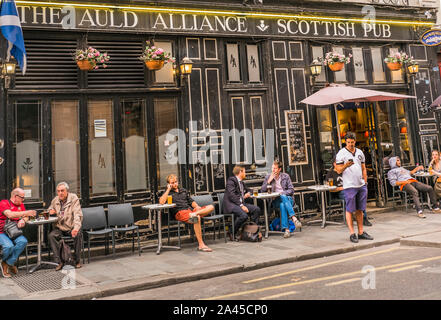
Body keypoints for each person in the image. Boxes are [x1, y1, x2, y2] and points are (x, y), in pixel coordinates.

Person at [160, 174, 215, 252]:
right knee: (197, 218)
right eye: (172, 183)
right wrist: (168, 189)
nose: (175, 184)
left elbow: (191, 201)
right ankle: (201, 245)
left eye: (176, 182)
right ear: (169, 184)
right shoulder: (167, 192)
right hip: (180, 212)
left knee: (211, 207)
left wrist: (197, 207)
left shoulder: (183, 190)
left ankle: (195, 213)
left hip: (190, 211)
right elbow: (161, 202)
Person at [335, 132, 373, 243]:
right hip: (349, 185)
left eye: (352, 142)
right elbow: (338, 170)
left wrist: (365, 180)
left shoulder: (360, 152)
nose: (350, 144)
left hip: (361, 185)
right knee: (350, 210)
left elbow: (363, 167)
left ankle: (361, 232)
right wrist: (346, 165)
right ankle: (352, 233)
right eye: (348, 142)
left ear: (355, 142)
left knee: (360, 209)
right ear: (345, 142)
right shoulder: (341, 153)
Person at [0, 188, 36, 278]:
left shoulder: (21, 205)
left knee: (23, 241)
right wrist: (26, 213)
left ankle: (7, 263)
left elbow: (26, 216)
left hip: (14, 232)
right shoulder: (4, 203)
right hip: (1, 232)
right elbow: (10, 214)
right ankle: (8, 264)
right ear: (15, 196)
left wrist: (23, 220)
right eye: (22, 197)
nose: (23, 200)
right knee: (9, 246)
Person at [326, 157, 372, 227]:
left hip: (349, 189)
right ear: (334, 164)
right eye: (338, 163)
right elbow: (329, 188)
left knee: (359, 196)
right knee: (351, 196)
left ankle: (364, 218)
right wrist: (341, 188)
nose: (341, 165)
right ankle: (352, 218)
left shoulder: (345, 171)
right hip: (339, 192)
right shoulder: (330, 173)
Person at [47, 182, 83, 270]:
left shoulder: (73, 198)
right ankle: (59, 261)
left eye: (62, 191)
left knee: (78, 235)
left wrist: (76, 228)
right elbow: (49, 208)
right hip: (60, 227)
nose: (60, 193)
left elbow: (78, 214)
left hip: (71, 227)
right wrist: (51, 210)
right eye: (58, 191)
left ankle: (77, 260)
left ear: (67, 191)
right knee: (51, 236)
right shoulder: (55, 200)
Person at [261, 160, 301, 238]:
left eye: (275, 168)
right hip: (275, 200)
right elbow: (262, 190)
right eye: (272, 168)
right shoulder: (268, 177)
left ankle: (287, 230)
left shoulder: (286, 176)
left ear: (279, 169)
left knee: (283, 202)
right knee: (282, 199)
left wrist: (282, 193)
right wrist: (269, 181)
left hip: (288, 199)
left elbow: (291, 190)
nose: (273, 170)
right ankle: (294, 218)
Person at [223, 165, 262, 242]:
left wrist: (248, 194)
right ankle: (231, 232)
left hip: (239, 203)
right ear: (240, 172)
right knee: (243, 215)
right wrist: (241, 205)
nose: (245, 174)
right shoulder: (231, 181)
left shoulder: (241, 183)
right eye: (244, 172)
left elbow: (249, 190)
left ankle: (253, 231)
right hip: (231, 204)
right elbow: (232, 195)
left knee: (256, 209)